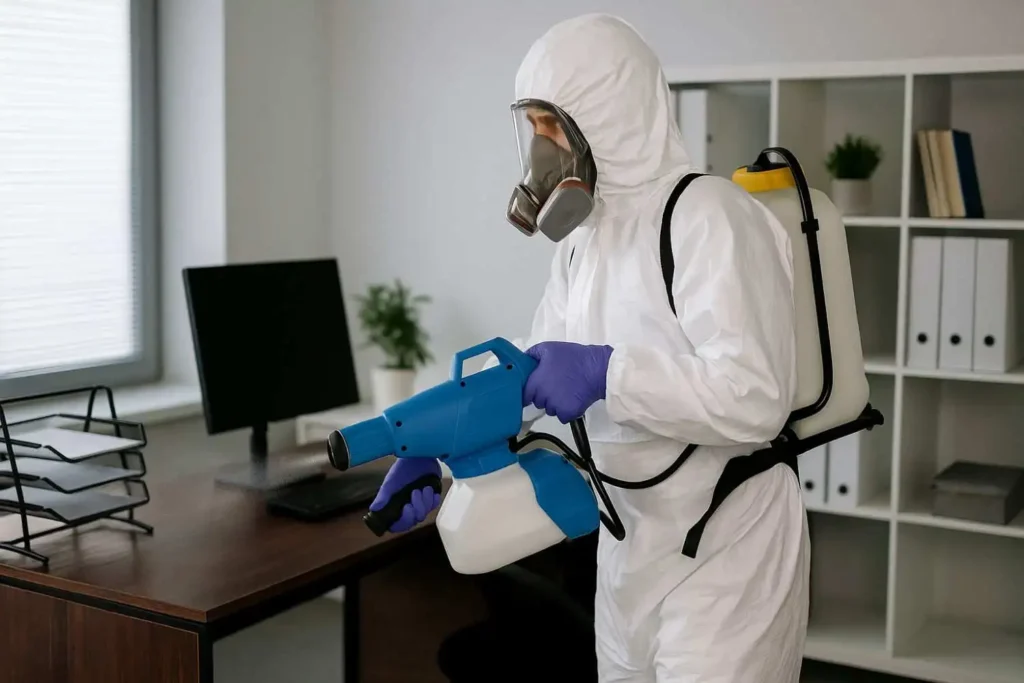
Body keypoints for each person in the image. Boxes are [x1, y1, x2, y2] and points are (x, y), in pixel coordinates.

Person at [369, 13, 810, 683]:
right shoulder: (586, 239)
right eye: (534, 126)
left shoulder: (709, 215)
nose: (541, 147)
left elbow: (756, 397)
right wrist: (436, 445)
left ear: (609, 114)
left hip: (730, 550)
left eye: (553, 125)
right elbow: (528, 372)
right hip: (632, 543)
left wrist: (610, 373)